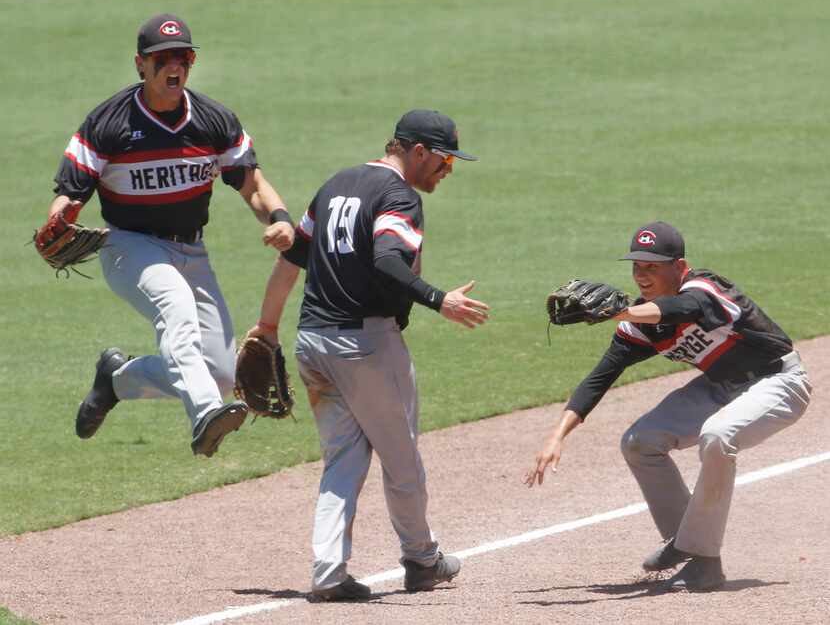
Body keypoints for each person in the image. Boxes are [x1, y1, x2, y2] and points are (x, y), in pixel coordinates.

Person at [247, 109, 489, 600]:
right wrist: (440, 299)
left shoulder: (335, 184)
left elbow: (291, 259)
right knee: (401, 457)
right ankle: (422, 560)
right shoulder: (398, 196)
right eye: (444, 161)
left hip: (312, 340)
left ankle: (328, 572)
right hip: (366, 346)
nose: (447, 171)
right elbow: (385, 260)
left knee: (343, 458)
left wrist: (267, 326)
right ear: (417, 151)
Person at [48, 13, 295, 457]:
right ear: (140, 64)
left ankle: (116, 381)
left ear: (192, 61)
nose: (173, 65)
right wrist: (59, 221)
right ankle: (204, 415)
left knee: (221, 373)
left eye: (181, 55)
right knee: (175, 307)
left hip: (191, 249)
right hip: (129, 246)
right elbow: (69, 196)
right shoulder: (109, 123)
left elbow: (252, 183)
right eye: (162, 58)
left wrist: (279, 218)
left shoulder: (213, 120)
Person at [525, 221, 812, 591]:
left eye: (652, 267)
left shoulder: (706, 288)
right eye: (636, 267)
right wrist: (556, 435)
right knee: (640, 442)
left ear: (679, 267)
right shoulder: (639, 324)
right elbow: (599, 379)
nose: (642, 276)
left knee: (717, 436)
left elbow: (683, 307)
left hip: (780, 381)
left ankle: (698, 555)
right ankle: (691, 551)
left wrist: (620, 313)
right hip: (721, 387)